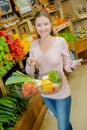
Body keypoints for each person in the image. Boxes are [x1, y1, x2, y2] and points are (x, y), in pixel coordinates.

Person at [25, 10, 82, 130]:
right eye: (39, 25)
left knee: (62, 127)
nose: (42, 28)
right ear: (35, 27)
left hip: (62, 92)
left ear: (51, 24)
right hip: (45, 92)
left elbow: (67, 64)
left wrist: (71, 66)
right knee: (65, 124)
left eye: (45, 24)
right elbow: (30, 72)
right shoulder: (33, 45)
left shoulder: (60, 42)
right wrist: (30, 63)